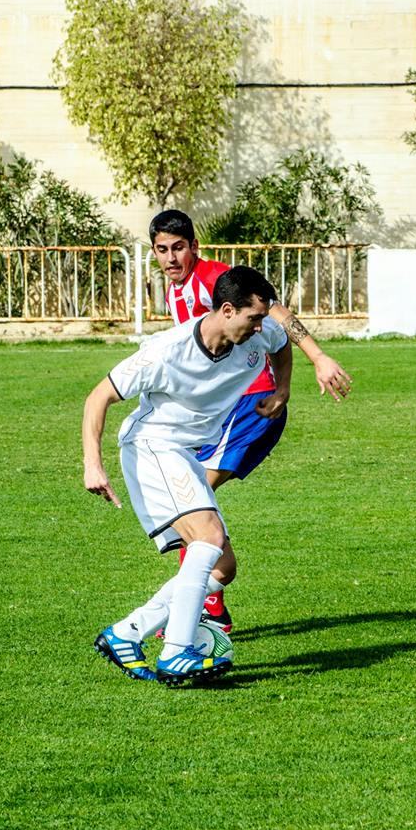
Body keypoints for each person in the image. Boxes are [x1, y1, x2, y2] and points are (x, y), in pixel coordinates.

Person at [84, 266, 291, 685]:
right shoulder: (166, 351)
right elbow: (99, 396)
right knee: (210, 539)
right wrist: (93, 464)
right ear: (227, 310)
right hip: (152, 447)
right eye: (253, 317)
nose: (260, 326)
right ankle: (178, 651)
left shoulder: (258, 332)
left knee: (222, 567)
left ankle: (126, 634)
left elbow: (282, 343)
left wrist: (282, 389)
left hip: (185, 454)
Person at [149, 209, 352, 632]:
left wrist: (314, 360)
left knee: (192, 498)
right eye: (162, 250)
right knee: (187, 501)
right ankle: (208, 599)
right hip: (221, 408)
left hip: (252, 404)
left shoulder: (213, 278)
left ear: (194, 247)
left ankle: (205, 604)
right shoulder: (177, 289)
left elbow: (276, 315)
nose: (171, 258)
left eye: (178, 248)